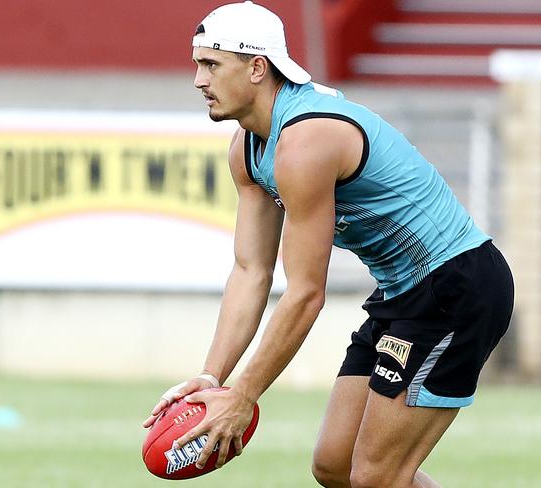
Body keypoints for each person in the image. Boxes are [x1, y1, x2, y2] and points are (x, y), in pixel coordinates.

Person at [142, 2, 514, 487]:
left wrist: (245, 394)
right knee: (335, 467)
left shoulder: (306, 140)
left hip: (455, 287)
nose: (198, 79)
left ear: (257, 68)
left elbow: (305, 293)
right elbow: (251, 272)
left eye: (211, 64)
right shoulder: (248, 148)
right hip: (403, 295)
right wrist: (214, 379)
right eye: (197, 64)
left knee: (377, 478)